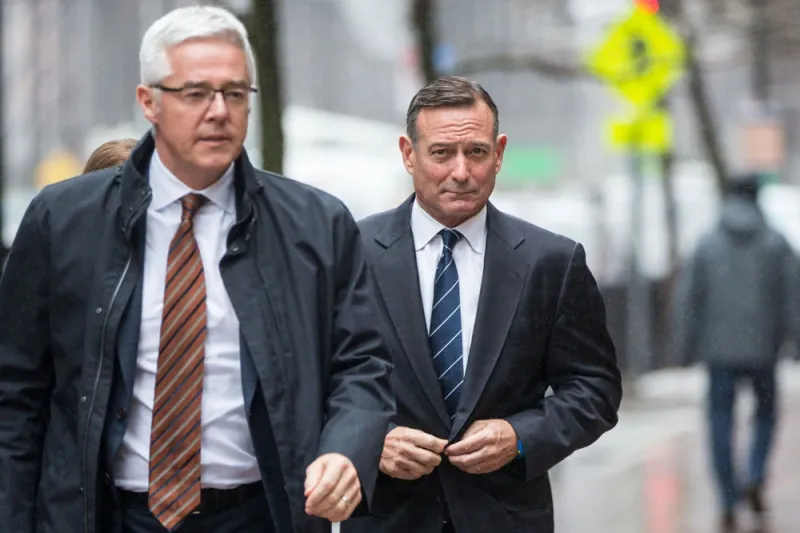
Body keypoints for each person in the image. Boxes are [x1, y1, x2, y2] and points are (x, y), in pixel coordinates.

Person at [0, 6, 394, 533]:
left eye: (235, 93)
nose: (219, 111)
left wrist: (346, 449)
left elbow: (362, 365)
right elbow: (16, 394)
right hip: (107, 514)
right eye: (196, 93)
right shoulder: (64, 220)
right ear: (149, 102)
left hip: (260, 514)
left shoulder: (317, 225)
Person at [342, 76, 622, 533]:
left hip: (505, 517)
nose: (461, 171)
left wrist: (520, 436)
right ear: (408, 154)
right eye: (441, 153)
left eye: (475, 151)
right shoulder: (351, 253)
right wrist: (370, 440)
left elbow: (595, 389)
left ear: (499, 153)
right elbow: (309, 383)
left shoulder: (550, 262)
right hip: (389, 517)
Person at [673, 174, 799, 532]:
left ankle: (728, 497)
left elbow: (689, 298)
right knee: (766, 415)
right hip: (763, 349)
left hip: (719, 351)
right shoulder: (776, 242)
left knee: (720, 420)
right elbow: (793, 295)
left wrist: (684, 346)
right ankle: (755, 473)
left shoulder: (708, 243)